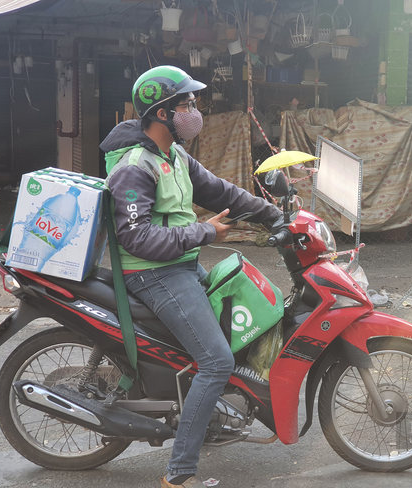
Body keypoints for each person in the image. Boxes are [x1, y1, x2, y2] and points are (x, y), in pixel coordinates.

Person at [100, 66, 281, 488]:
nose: (194, 112)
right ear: (161, 113)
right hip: (152, 274)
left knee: (239, 322)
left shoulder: (174, 156)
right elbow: (136, 236)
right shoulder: (135, 167)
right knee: (216, 360)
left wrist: (276, 213)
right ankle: (178, 474)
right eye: (187, 104)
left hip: (178, 265)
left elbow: (220, 192)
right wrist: (204, 231)